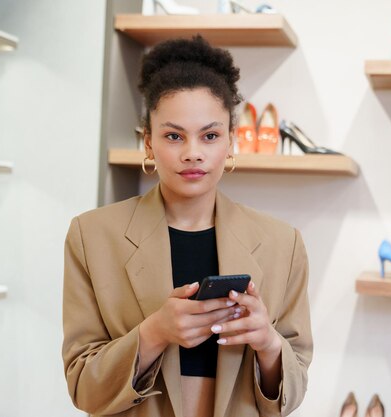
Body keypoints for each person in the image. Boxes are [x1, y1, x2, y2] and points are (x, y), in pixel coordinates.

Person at [62, 35, 312, 417]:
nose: (192, 152)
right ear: (148, 143)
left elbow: (292, 394)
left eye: (210, 136)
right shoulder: (92, 236)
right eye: (173, 135)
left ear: (231, 142)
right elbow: (83, 387)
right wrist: (155, 332)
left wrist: (268, 343)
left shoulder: (283, 244)